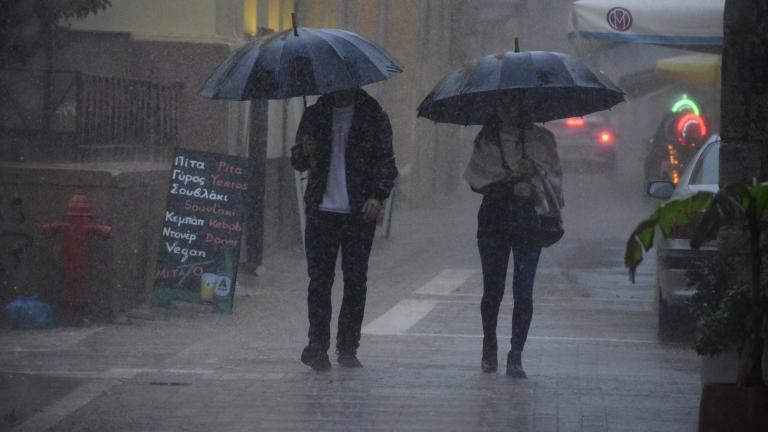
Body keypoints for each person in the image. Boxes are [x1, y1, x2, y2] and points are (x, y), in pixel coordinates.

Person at [291, 88, 397, 372]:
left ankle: (348, 347)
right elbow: (297, 161)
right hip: (320, 210)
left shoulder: (372, 115)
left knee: (355, 281)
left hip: (358, 213)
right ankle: (317, 345)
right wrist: (305, 150)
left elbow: (387, 162)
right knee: (319, 281)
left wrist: (377, 195)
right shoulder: (315, 114)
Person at [464, 93, 564, 378]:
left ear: (523, 105)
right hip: (493, 222)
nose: (508, 108)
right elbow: (476, 181)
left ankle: (516, 354)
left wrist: (533, 179)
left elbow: (554, 178)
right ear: (494, 106)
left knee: (523, 292)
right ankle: (489, 346)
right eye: (502, 103)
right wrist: (508, 185)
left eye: (513, 102)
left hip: (529, 223)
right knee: (492, 291)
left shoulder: (542, 140)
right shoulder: (487, 141)